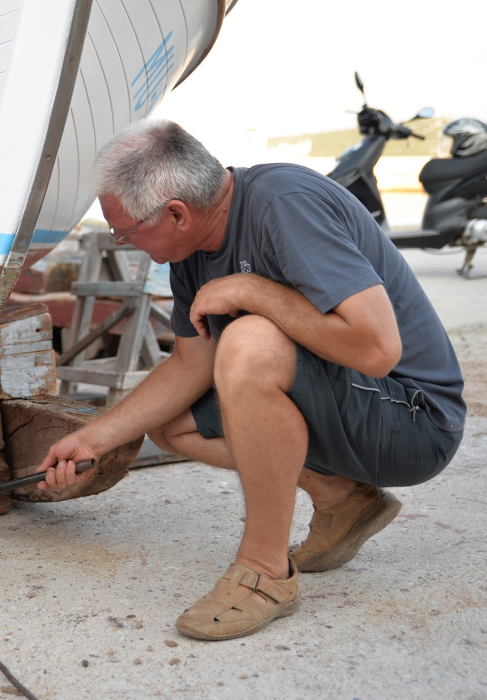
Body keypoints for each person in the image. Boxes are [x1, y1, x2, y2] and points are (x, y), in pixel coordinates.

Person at [37, 119, 464, 641]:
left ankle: (266, 573)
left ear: (176, 213)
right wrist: (93, 438)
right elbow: (190, 367)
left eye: (125, 231)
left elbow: (377, 349)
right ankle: (341, 496)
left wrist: (253, 291)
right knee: (170, 423)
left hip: (415, 421)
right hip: (357, 411)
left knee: (248, 343)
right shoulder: (189, 252)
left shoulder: (284, 205)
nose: (122, 242)